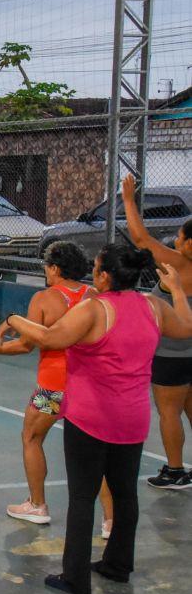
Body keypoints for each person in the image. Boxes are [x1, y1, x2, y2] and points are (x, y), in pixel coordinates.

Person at [3, 246, 192, 594]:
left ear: (104, 275)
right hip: (133, 418)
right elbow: (187, 327)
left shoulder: (95, 309)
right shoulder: (153, 306)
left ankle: (75, 577)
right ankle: (118, 565)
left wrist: (14, 318)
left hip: (91, 418)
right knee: (125, 494)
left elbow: (48, 337)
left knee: (82, 496)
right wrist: (178, 289)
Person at [0, 242, 113, 533]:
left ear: (55, 268)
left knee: (31, 438)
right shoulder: (95, 296)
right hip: (90, 387)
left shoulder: (44, 299)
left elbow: (26, 345)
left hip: (53, 386)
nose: (46, 272)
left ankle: (37, 505)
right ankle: (110, 520)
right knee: (95, 452)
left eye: (47, 266)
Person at [121, 174, 192, 489]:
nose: (175, 240)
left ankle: (175, 470)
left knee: (169, 412)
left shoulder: (180, 264)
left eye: (179, 236)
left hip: (172, 352)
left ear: (189, 244)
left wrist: (128, 201)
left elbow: (141, 239)